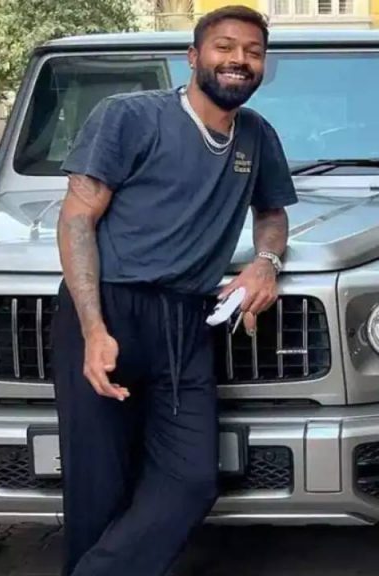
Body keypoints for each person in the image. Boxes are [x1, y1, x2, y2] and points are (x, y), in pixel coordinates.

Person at [50, 6, 297, 575]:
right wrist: (93, 330)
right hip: (110, 308)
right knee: (99, 489)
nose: (239, 60)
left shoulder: (257, 136)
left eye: (253, 52)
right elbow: (77, 218)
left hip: (188, 320)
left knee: (191, 480)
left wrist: (265, 263)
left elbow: (272, 213)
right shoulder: (129, 117)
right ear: (193, 57)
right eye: (225, 47)